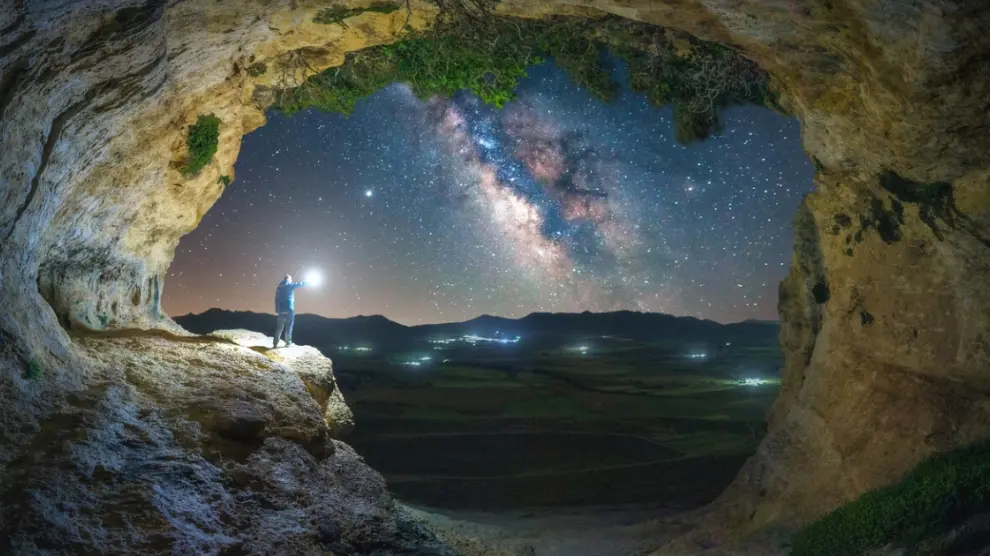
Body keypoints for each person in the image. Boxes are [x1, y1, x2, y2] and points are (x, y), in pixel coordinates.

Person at [273, 274, 306, 348]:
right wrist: (307, 281)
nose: (291, 281)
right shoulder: (290, 285)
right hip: (289, 309)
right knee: (289, 326)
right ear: (288, 279)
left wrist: (277, 310)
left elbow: (276, 299)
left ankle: (275, 343)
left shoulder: (279, 288)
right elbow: (300, 284)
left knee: (279, 327)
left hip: (281, 310)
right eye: (291, 279)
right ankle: (288, 343)